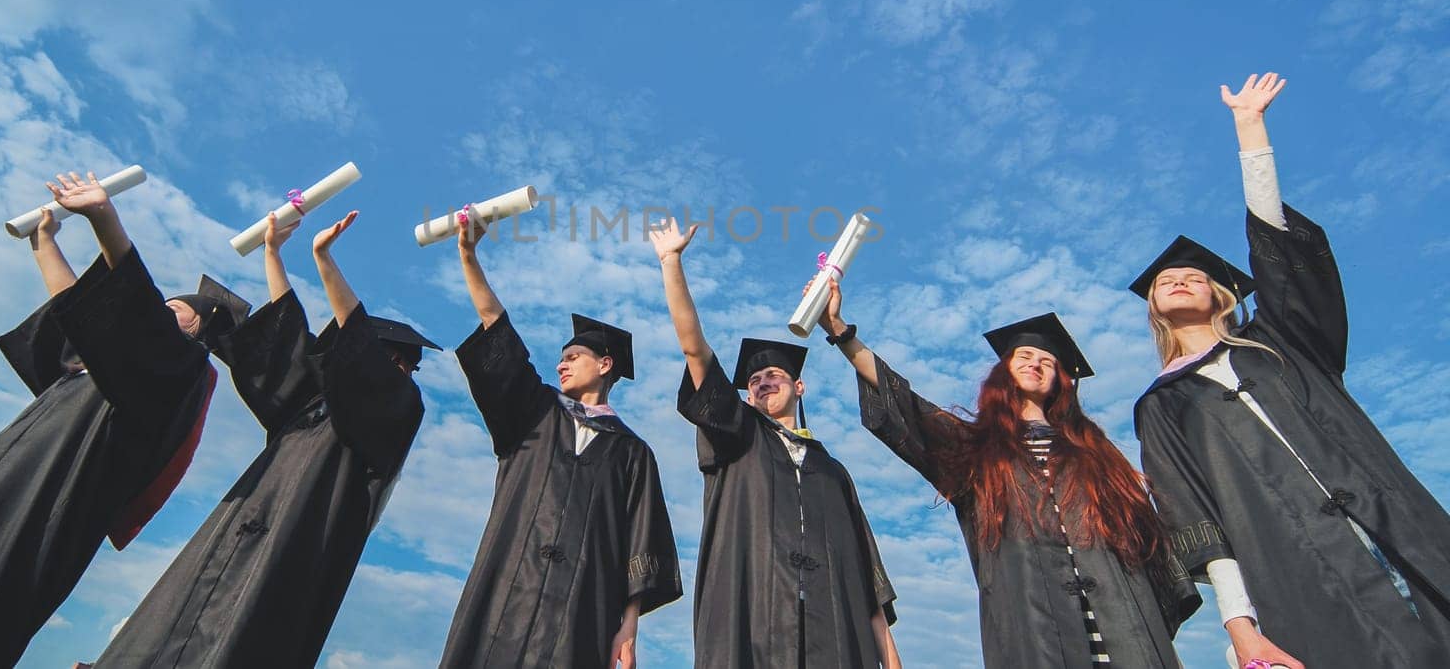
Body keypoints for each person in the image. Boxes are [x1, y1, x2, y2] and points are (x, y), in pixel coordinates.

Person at [1132, 74, 1450, 669]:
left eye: (1194, 276)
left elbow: (1285, 269)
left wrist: (1250, 132)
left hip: (1405, 538)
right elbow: (1198, 521)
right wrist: (1243, 631)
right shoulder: (1161, 406)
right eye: (1164, 281)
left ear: (1222, 295)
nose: (1177, 279)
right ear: (1153, 306)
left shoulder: (1280, 344)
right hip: (1304, 580)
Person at [0, 171, 228, 668]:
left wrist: (104, 217)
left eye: (174, 309)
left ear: (199, 329)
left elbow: (135, 311)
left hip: (43, 500)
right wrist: (43, 244)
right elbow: (77, 314)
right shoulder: (110, 364)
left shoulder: (182, 374)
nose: (160, 308)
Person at [91, 209, 429, 668]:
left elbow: (356, 348)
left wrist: (324, 259)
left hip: (297, 538)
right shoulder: (313, 404)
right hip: (239, 523)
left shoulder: (400, 405)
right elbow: (287, 340)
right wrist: (273, 253)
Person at [823, 280, 1195, 668]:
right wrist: (841, 333)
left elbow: (1147, 539)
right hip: (1031, 628)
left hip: (1126, 622)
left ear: (1061, 382)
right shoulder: (975, 452)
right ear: (1004, 371)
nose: (1035, 363)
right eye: (1025, 355)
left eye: (1047, 361)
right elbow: (907, 406)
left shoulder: (1095, 454)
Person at [438, 207, 681, 669]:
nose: (562, 364)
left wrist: (627, 632)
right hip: (503, 598)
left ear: (605, 364)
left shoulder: (632, 452)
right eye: (561, 357)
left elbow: (641, 544)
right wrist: (469, 257)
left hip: (581, 617)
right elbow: (497, 331)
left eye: (574, 355)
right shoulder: (534, 412)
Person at [651, 218, 898, 668]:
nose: (764, 383)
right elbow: (695, 350)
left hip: (834, 633)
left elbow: (868, 578)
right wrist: (672, 264)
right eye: (755, 380)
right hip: (753, 625)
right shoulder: (738, 436)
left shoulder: (833, 471)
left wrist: (892, 662)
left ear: (798, 387)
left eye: (775, 375)